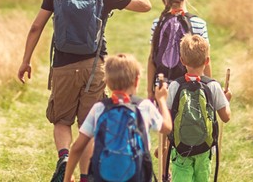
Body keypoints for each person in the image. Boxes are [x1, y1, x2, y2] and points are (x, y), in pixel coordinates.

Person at [18, 0, 152, 182]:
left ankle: (63, 158)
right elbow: (145, 5)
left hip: (62, 66)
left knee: (61, 120)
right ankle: (84, 177)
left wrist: (25, 60)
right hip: (94, 68)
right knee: (87, 125)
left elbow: (36, 26)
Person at [63, 53, 172, 182]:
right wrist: (162, 100)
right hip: (136, 175)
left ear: (107, 83)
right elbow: (167, 127)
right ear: (137, 81)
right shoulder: (144, 107)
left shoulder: (99, 108)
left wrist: (67, 177)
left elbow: (77, 147)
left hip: (105, 175)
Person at [164, 34, 231, 182]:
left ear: (182, 61)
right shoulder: (213, 86)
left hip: (181, 150)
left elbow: (167, 118)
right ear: (207, 61)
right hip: (204, 149)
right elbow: (226, 117)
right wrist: (227, 101)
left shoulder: (175, 86)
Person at [147, 0, 211, 87]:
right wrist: (209, 86)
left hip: (162, 87)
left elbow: (152, 58)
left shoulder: (158, 24)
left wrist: (149, 91)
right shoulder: (199, 24)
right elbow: (206, 59)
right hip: (190, 87)